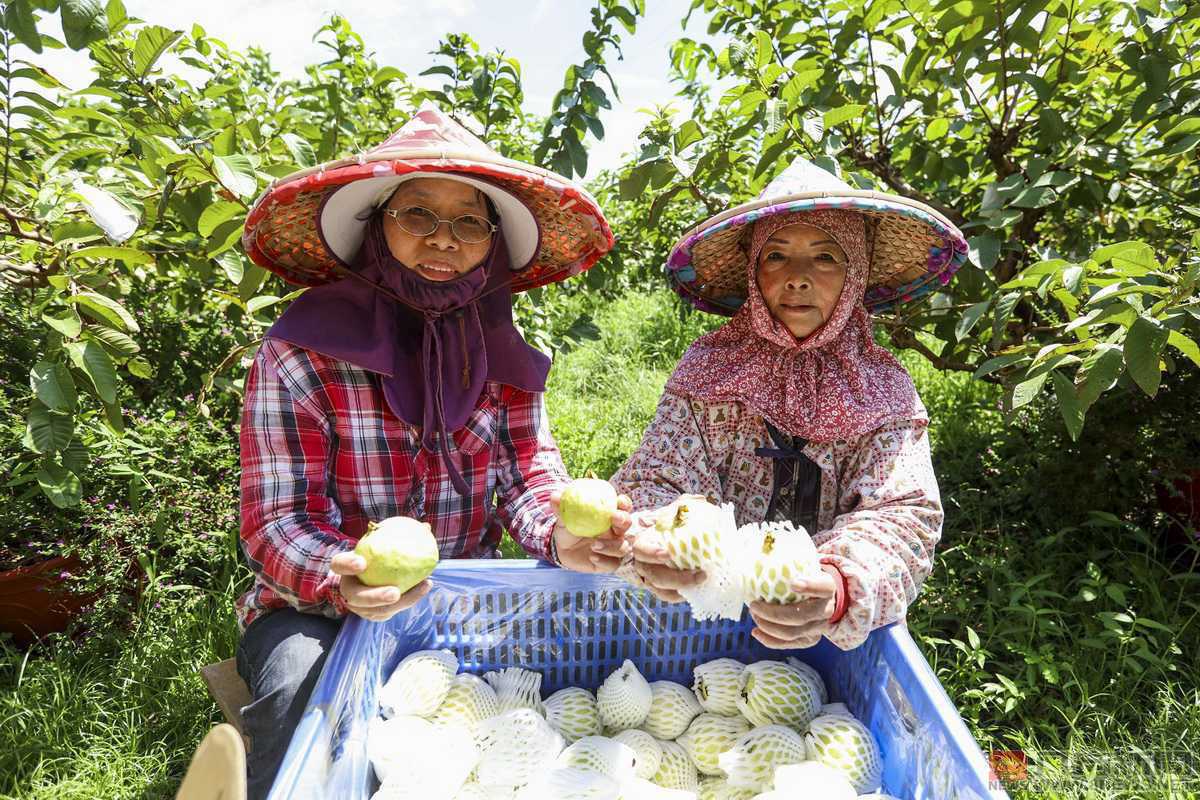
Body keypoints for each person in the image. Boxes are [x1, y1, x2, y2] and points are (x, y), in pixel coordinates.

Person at [233, 105, 630, 798]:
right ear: (377, 228)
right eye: (418, 215)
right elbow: (275, 521)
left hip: (460, 599)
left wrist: (559, 534)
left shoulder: (502, 358)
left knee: (560, 700)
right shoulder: (299, 354)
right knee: (300, 693)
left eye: (470, 221)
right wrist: (343, 572)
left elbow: (528, 478)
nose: (443, 240)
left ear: (492, 244)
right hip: (318, 608)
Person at [613, 157, 969, 652]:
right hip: (700, 620)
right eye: (776, 256)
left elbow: (903, 515)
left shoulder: (883, 390)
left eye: (825, 257)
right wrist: (654, 539)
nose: (798, 278)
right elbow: (657, 479)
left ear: (856, 274)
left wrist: (840, 584)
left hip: (828, 631)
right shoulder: (710, 370)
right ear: (755, 270)